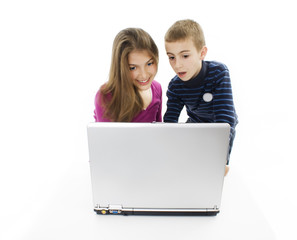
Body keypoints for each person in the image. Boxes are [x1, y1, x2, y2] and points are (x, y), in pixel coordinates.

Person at [163, 19, 238, 176]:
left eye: (185, 56)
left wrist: (220, 159)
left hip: (220, 125)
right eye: (171, 57)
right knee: (183, 160)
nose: (177, 65)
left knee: (213, 164)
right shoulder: (175, 86)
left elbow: (225, 119)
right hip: (195, 124)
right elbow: (170, 121)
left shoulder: (218, 72)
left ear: (202, 53)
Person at [94, 28, 162, 122]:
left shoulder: (157, 88)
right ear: (121, 68)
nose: (143, 75)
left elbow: (160, 132)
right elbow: (106, 136)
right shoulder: (106, 96)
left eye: (149, 63)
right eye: (133, 68)